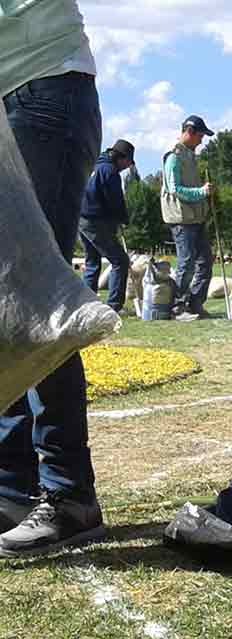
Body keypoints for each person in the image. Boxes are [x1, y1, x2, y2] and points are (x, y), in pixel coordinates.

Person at [0, 0, 107, 556]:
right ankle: (12, 488)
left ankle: (69, 494)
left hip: (43, 91)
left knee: (37, 298)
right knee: (4, 307)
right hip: (15, 101)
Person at [162, 114, 215, 320]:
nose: (202, 141)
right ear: (190, 132)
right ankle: (177, 306)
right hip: (181, 219)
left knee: (205, 262)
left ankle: (195, 303)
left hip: (196, 217)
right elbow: (175, 189)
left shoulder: (191, 155)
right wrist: (202, 192)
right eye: (200, 136)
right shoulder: (174, 156)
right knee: (186, 263)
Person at [79, 138, 135, 313]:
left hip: (81, 219)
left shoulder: (94, 165)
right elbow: (115, 200)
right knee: (120, 261)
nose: (127, 167)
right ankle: (114, 306)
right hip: (96, 221)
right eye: (128, 162)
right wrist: (123, 218)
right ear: (122, 157)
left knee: (92, 262)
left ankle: (87, 305)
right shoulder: (110, 172)